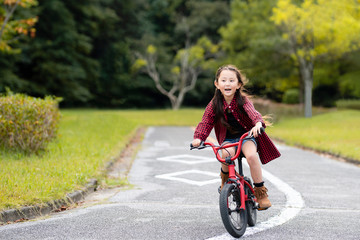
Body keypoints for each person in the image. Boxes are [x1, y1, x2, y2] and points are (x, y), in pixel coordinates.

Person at [191, 64, 281, 210]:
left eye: (232, 81)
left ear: (238, 85)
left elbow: (253, 113)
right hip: (228, 139)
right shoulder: (214, 104)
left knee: (252, 156)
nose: (228, 84)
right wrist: (199, 138)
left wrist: (258, 123)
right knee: (225, 155)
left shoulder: (243, 101)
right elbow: (206, 122)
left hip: (246, 137)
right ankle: (225, 179)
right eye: (224, 80)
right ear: (217, 84)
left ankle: (260, 192)